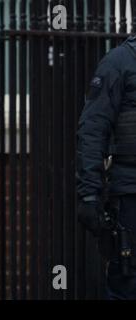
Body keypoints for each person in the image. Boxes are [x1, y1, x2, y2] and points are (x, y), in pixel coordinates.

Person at [77, 36, 136, 299]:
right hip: (131, 194)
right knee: (128, 283)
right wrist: (89, 194)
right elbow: (93, 130)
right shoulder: (120, 61)